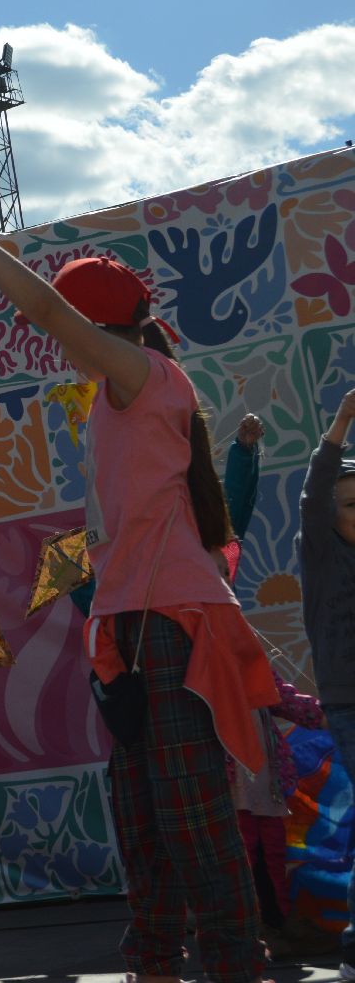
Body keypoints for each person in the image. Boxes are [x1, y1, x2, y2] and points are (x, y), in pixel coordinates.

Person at [0, 181, 278, 983]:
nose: (57, 340)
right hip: (128, 632)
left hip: (175, 623)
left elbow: (42, 310)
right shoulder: (113, 399)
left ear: (104, 326)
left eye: (74, 325)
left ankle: (235, 966)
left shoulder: (150, 379)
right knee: (142, 827)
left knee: (194, 823)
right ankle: (155, 966)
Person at [299, 386, 355, 980]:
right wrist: (340, 421)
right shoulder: (321, 551)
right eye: (349, 504)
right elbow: (314, 497)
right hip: (348, 702)